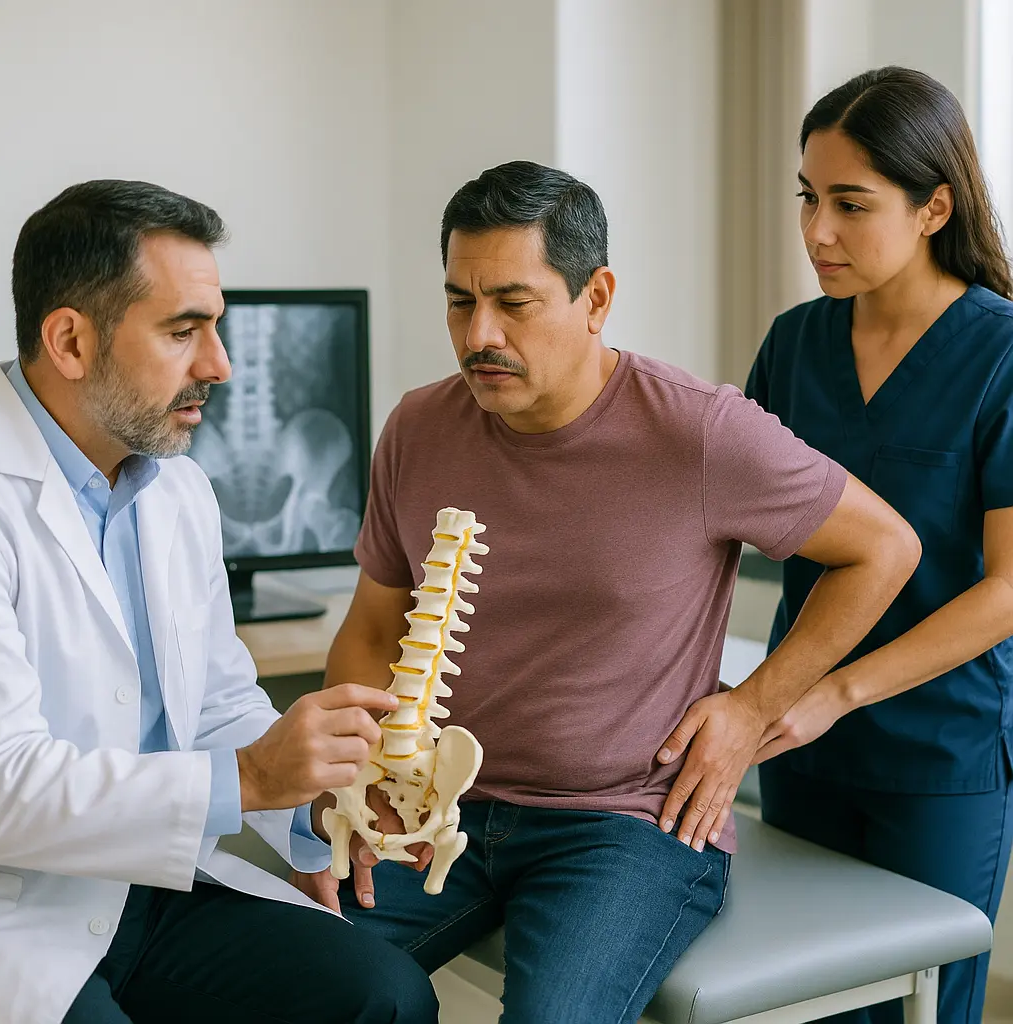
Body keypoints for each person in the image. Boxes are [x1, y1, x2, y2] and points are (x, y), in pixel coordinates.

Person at [292, 160, 921, 1024]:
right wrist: (353, 784)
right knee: (288, 979)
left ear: (596, 299)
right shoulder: (418, 426)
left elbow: (886, 548)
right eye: (458, 301)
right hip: (439, 807)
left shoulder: (697, 430)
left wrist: (752, 705)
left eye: (515, 303)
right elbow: (372, 626)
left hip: (624, 826)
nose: (479, 333)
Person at [0, 180, 439, 1024]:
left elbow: (218, 704)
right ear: (70, 340)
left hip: (152, 891)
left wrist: (314, 801)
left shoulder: (179, 490)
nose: (220, 365)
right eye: (182, 330)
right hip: (14, 911)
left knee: (385, 998)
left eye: (216, 327)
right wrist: (250, 777)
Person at [745, 67, 1013, 1024]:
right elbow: (724, 529)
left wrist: (837, 691)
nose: (818, 231)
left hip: (938, 760)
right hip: (800, 752)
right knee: (806, 1008)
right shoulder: (793, 345)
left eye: (851, 205)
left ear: (935, 205)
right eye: (809, 199)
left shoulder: (1001, 355)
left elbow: (1008, 590)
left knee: (924, 1010)